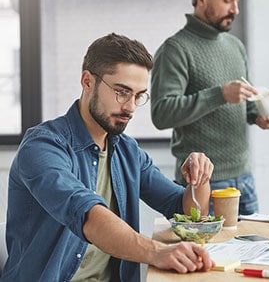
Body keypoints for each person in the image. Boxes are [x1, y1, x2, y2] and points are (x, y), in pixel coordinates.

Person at [0, 33, 216, 282]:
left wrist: (199, 178)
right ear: (87, 81)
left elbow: (184, 210)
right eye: (122, 92)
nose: (131, 107)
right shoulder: (42, 146)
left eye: (138, 95)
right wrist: (157, 252)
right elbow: (86, 214)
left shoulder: (127, 150)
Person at [150, 0, 269, 216]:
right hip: (202, 184)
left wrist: (258, 116)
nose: (235, 10)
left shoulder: (235, 46)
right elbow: (162, 113)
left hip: (244, 180)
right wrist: (219, 94)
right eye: (228, 0)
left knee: (254, 250)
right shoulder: (175, 49)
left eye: (237, 1)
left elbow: (243, 103)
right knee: (206, 253)